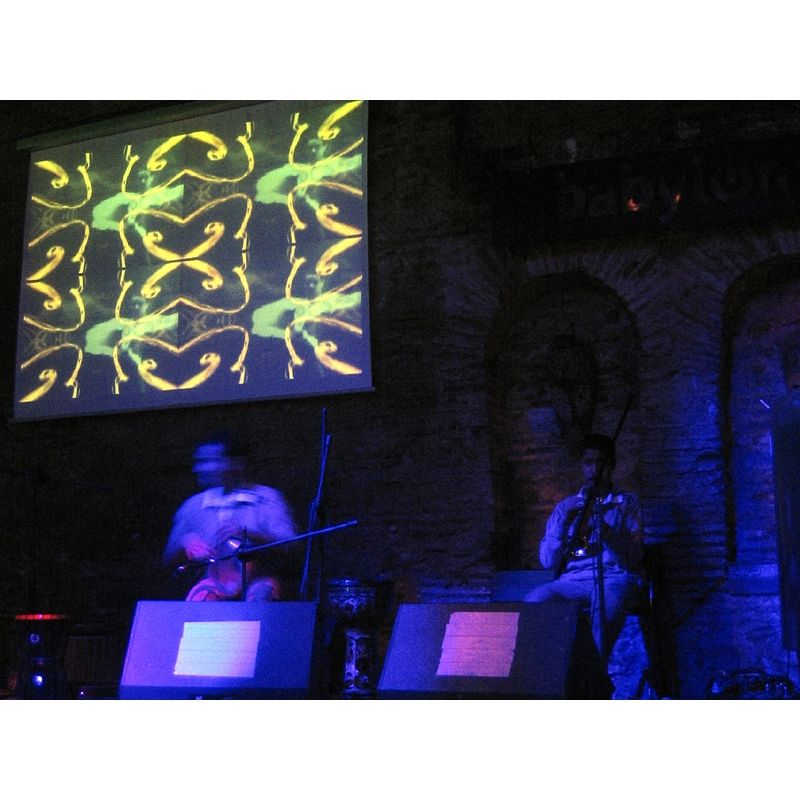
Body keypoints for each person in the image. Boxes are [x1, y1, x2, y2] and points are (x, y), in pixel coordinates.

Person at [525, 433, 644, 660]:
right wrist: (563, 522)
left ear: (612, 465)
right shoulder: (565, 506)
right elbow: (547, 561)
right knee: (535, 601)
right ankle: (559, 667)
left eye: (600, 463)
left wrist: (605, 530)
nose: (594, 469)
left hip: (613, 579)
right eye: (588, 463)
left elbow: (633, 558)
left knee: (608, 607)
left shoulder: (627, 503)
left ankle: (595, 671)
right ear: (582, 466)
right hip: (572, 581)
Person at [163, 432, 297, 601]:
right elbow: (168, 559)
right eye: (199, 462)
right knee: (200, 597)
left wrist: (249, 534)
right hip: (212, 585)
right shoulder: (193, 506)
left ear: (236, 463)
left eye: (209, 461)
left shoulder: (266, 498)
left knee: (263, 595)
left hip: (258, 582)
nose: (199, 469)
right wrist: (185, 544)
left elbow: (291, 545)